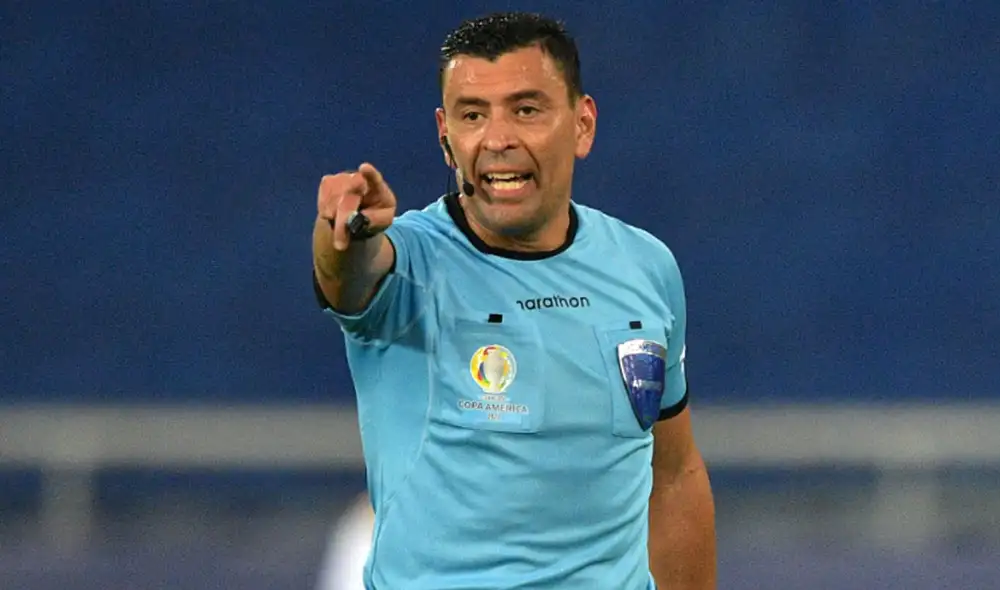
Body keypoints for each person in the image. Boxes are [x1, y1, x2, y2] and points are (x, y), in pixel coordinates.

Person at [312, 11, 716, 589]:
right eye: (473, 115)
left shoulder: (645, 267)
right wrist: (339, 232)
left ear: (582, 124)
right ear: (445, 136)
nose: (498, 139)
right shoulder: (411, 266)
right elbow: (347, 272)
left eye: (526, 110)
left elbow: (674, 475)